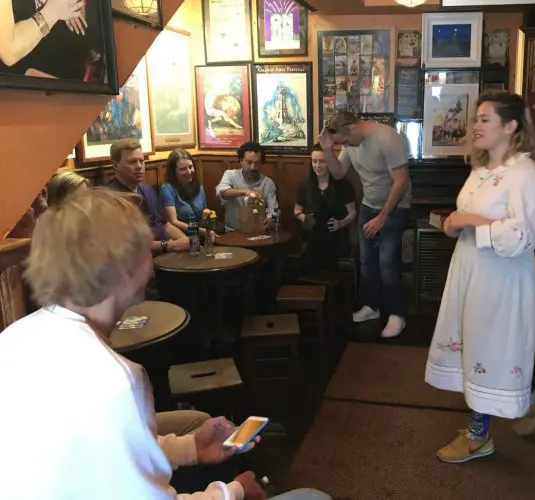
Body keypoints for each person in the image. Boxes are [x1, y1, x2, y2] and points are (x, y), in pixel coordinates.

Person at [0, 188, 332, 500]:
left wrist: (192, 449)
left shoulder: (14, 336)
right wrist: (235, 492)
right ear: (123, 267)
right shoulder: (116, 381)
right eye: (146, 246)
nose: (154, 249)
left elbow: (103, 455)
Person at [424, 90, 535, 463]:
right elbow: (466, 219)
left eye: (485, 119)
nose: (475, 126)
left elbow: (523, 236)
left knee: (487, 348)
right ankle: (526, 403)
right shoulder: (481, 170)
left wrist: (468, 222)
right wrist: (453, 223)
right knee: (477, 347)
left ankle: (480, 436)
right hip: (470, 270)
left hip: (500, 279)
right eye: (475, 119)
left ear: (510, 126)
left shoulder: (525, 174)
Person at [318, 111, 411, 338]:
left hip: (395, 206)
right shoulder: (350, 141)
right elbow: (338, 172)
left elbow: (401, 182)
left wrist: (383, 217)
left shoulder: (387, 138)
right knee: (366, 261)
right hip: (369, 204)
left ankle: (397, 315)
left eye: (344, 141)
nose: (346, 146)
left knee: (387, 263)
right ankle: (372, 306)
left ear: (351, 128)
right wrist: (328, 149)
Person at [105, 138, 189, 255]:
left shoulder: (146, 189)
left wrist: (185, 241)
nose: (139, 166)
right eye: (132, 162)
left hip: (163, 254)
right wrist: (170, 245)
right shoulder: (109, 198)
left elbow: (164, 225)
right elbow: (126, 244)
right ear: (115, 165)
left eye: (142, 161)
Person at [294, 143, 356, 274]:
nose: (317, 166)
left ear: (330, 162)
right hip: (312, 236)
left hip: (336, 237)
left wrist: (341, 223)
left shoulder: (343, 185)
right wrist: (303, 217)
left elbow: (353, 213)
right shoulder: (304, 185)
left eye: (322, 161)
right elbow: (296, 210)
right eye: (314, 161)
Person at [215, 141, 278, 232]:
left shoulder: (268, 183)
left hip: (259, 231)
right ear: (241, 161)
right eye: (249, 162)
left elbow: (273, 209)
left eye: (257, 163)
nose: (253, 167)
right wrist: (245, 192)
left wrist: (271, 219)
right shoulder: (230, 175)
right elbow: (221, 192)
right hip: (233, 231)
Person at [160, 148, 216, 241]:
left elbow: (205, 213)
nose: (189, 172)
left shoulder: (199, 187)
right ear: (173, 171)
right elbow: (173, 222)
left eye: (190, 167)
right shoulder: (167, 189)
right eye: (183, 169)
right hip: (181, 237)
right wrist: (199, 231)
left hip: (201, 234)